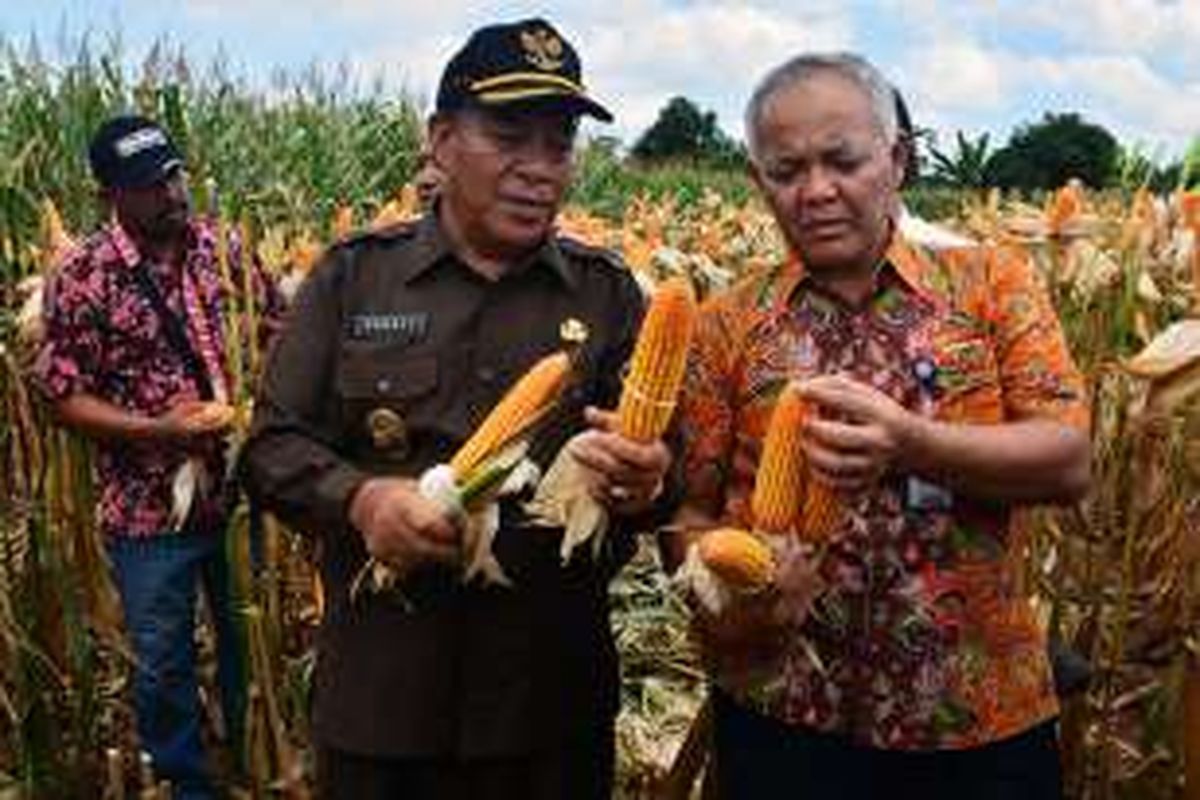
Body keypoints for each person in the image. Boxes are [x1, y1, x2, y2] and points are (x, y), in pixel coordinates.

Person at [241, 18, 672, 799]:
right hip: (385, 704)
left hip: (548, 710)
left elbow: (660, 484)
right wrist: (365, 500)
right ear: (441, 141)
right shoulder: (352, 280)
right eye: (510, 135)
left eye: (559, 143)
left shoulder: (607, 293)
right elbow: (269, 449)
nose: (540, 168)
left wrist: (646, 482)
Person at [666, 53, 1090, 799]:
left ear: (894, 159)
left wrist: (909, 442)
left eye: (842, 161)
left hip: (978, 715)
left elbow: (1066, 459)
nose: (817, 190)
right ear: (759, 181)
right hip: (783, 715)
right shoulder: (724, 323)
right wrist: (736, 594)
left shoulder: (992, 288)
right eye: (787, 169)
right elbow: (689, 516)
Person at [34, 115, 283, 798]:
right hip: (148, 513)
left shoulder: (224, 248)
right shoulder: (84, 277)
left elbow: (277, 331)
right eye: (150, 185)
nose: (172, 194)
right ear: (110, 195)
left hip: (237, 495)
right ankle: (182, 782)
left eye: (174, 175)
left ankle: (258, 759)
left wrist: (261, 402)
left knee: (247, 638)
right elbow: (63, 395)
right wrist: (157, 431)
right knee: (163, 662)